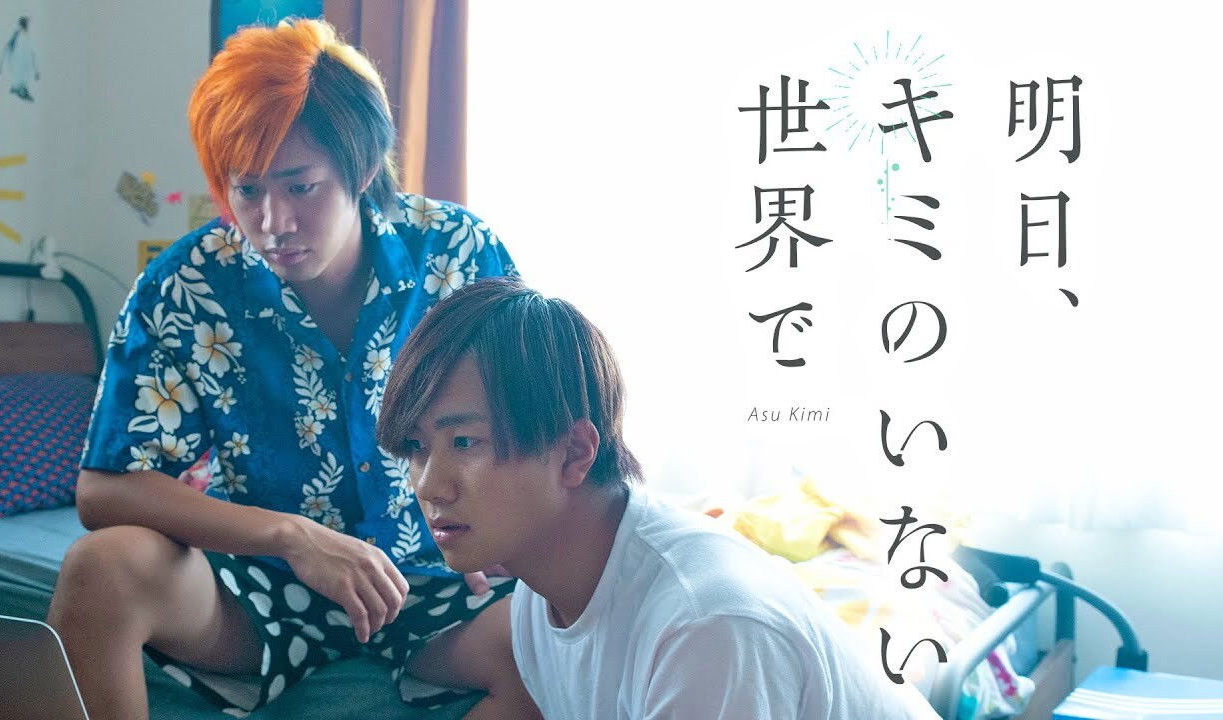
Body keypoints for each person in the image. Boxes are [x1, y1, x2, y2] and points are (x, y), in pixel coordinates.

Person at [48, 19, 538, 719]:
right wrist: (291, 537)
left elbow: (533, 414)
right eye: (247, 191)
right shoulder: (186, 287)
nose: (273, 222)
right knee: (100, 568)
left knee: (553, 644)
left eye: (301, 186)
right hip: (261, 590)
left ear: (361, 169)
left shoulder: (457, 252)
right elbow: (104, 490)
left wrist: (509, 528)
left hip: (439, 581)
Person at [377, 277, 940, 719]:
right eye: (417, 448)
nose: (427, 486)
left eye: (465, 442)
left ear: (574, 453)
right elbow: (432, 662)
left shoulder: (704, 627)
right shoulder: (542, 597)